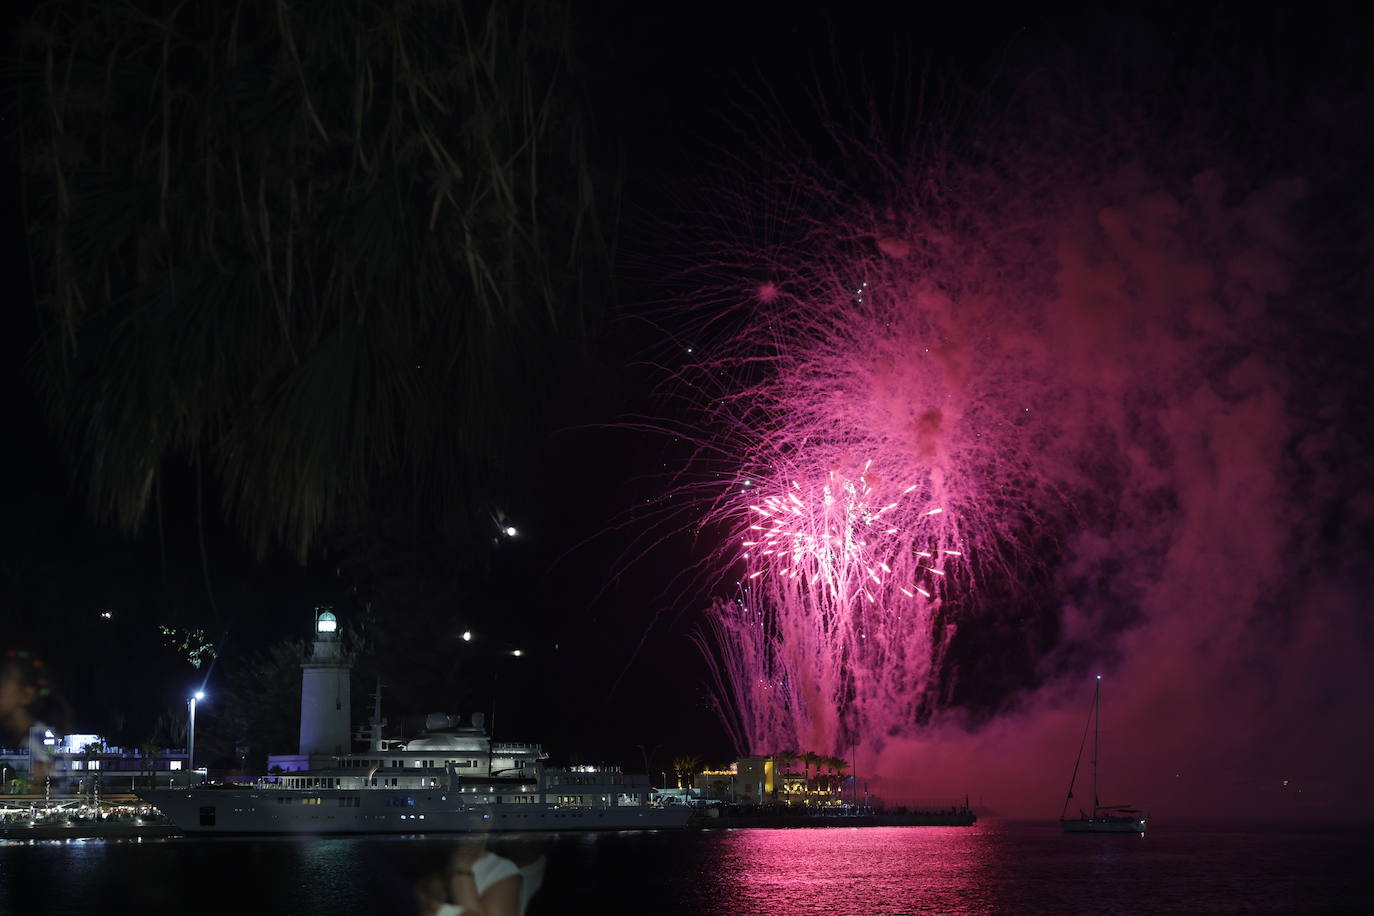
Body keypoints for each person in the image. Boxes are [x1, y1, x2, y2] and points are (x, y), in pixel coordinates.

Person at [0, 650, 56, 787]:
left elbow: (41, 783)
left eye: (4, 683)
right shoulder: (15, 735)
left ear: (27, 694)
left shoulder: (39, 736)